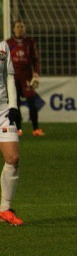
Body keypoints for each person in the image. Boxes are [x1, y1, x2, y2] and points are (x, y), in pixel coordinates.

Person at [0, 38, 24, 226]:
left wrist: (14, 106)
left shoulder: (3, 46)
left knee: (13, 158)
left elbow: (9, 76)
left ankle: (4, 209)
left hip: (2, 110)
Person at [6, 20, 44, 137]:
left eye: (22, 27)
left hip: (27, 77)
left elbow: (35, 59)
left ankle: (36, 129)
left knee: (32, 103)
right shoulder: (8, 43)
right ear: (13, 29)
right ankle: (18, 130)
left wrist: (36, 73)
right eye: (18, 27)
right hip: (13, 77)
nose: (20, 29)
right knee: (15, 103)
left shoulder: (29, 42)